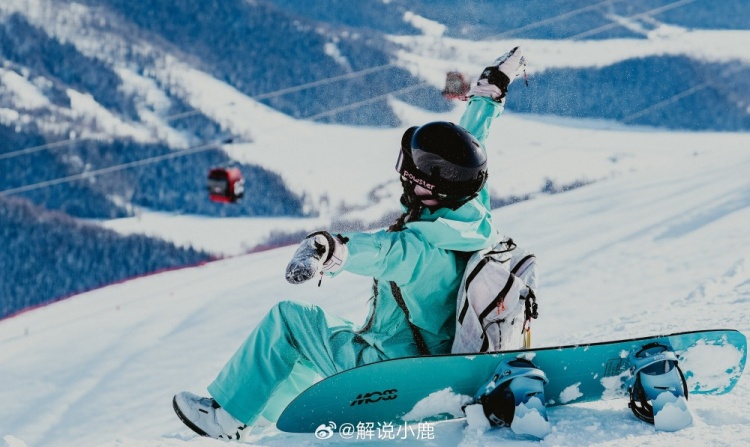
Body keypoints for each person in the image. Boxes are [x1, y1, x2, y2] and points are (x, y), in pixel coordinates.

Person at [172, 47, 528, 440]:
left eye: (409, 169)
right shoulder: (470, 208)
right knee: (322, 332)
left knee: (289, 319)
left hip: (392, 374)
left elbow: (378, 252)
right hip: (423, 359)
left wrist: (331, 247)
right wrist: (490, 91)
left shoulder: (418, 251)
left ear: (425, 185)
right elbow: (471, 141)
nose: (404, 174)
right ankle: (256, 413)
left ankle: (226, 419)